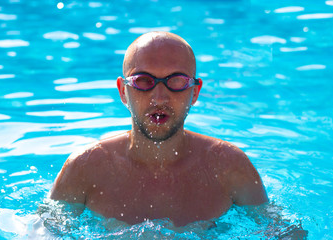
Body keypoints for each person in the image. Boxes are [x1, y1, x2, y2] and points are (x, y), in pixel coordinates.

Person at [50, 31, 268, 227]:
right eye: (144, 81)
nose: (159, 97)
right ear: (123, 91)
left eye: (176, 81)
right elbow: (42, 232)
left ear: (194, 92)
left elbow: (281, 232)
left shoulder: (230, 168)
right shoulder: (85, 169)